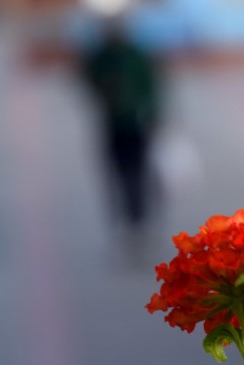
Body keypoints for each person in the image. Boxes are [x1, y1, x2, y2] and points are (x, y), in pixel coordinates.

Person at [79, 13, 162, 250]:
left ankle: (138, 223)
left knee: (136, 176)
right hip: (113, 126)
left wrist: (153, 113)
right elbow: (88, 79)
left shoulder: (134, 55)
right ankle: (128, 226)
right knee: (118, 177)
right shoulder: (102, 57)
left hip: (135, 124)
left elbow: (151, 86)